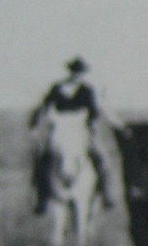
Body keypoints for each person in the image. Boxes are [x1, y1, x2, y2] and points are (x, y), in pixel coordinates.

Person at [29, 57, 117, 211]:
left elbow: (94, 113)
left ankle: (105, 193)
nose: (77, 75)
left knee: (102, 158)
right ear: (70, 72)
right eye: (75, 71)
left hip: (80, 129)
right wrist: (35, 125)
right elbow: (43, 106)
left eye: (80, 72)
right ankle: (42, 196)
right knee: (42, 158)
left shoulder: (87, 90)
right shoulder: (57, 88)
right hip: (60, 129)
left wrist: (92, 127)